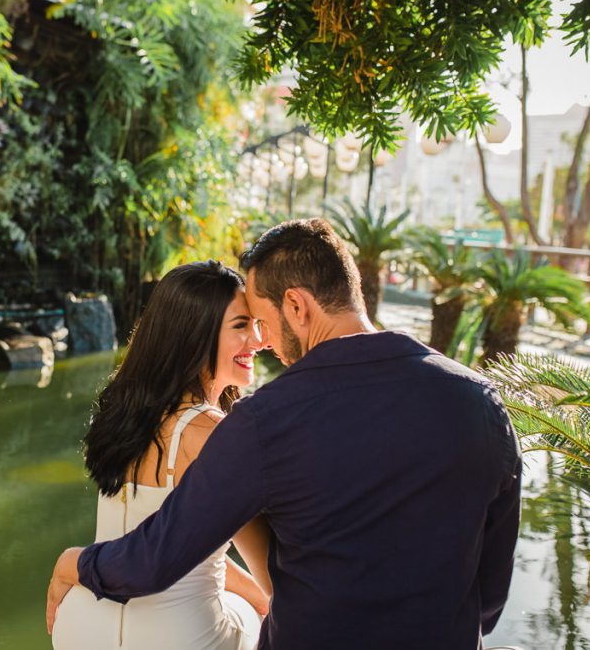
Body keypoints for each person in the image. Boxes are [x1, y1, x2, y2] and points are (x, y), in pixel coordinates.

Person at [47, 218, 521, 650]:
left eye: (264, 323)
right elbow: (490, 596)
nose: (264, 342)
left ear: (296, 305)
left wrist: (77, 561)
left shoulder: (264, 420)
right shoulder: (482, 402)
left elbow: (158, 557)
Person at [51, 260, 270, 650]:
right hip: (174, 636)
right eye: (240, 326)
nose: (257, 340)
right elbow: (267, 565)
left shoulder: (125, 414)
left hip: (82, 622)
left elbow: (190, 554)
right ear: (195, 337)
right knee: (258, 621)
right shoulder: (213, 434)